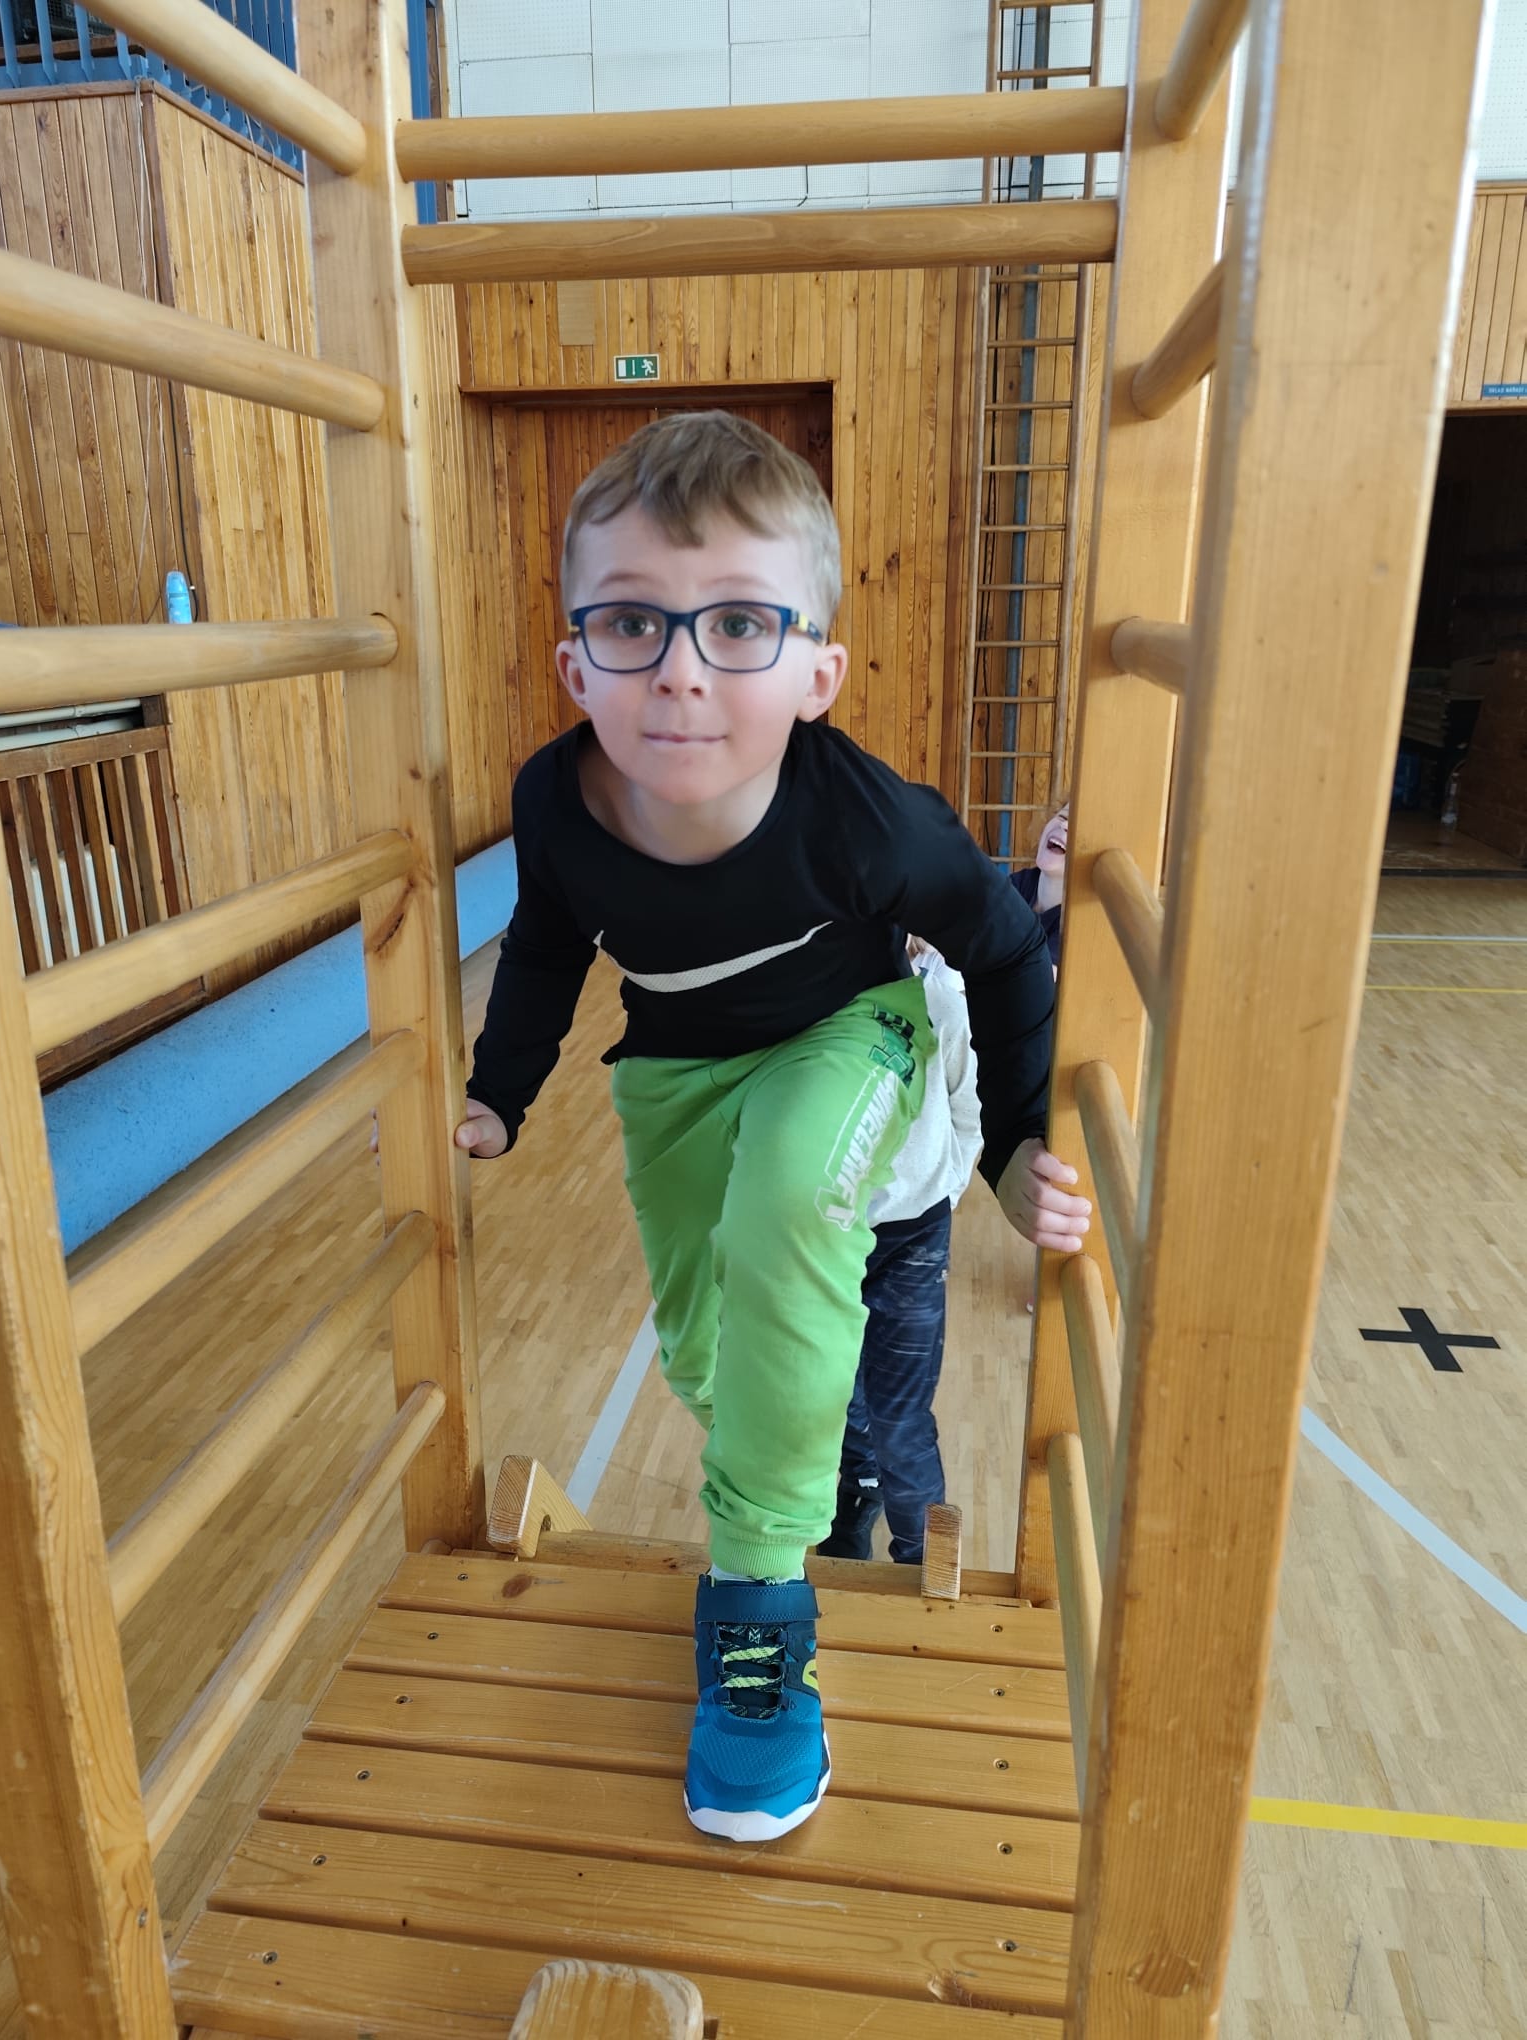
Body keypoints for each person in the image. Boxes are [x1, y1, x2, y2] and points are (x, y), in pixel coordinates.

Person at [456, 411, 1091, 1845]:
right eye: (633, 624)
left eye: (739, 624)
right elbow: (546, 946)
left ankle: (758, 1601)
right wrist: (501, 1091)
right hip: (675, 1069)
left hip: (851, 1032)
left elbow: (1003, 952)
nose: (681, 670)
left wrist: (1014, 1146)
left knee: (789, 1208)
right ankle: (784, 1461)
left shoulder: (868, 823)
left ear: (817, 675)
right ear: (574, 664)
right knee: (708, 1350)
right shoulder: (556, 801)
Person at [817, 943, 981, 1565]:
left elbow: (967, 1105)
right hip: (826, 1232)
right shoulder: (804, 990)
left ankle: (921, 1558)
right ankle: (860, 1489)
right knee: (839, 1389)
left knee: (901, 1418)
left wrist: (945, 1187)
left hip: (914, 1234)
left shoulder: (939, 998)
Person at [1011, 798, 1067, 973]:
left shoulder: (1074, 924)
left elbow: (1038, 979)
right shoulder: (1021, 882)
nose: (1064, 825)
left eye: (1078, 827)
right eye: (1063, 817)